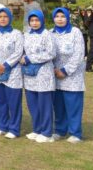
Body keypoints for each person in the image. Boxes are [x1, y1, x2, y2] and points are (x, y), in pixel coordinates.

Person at [50, 7, 86, 143]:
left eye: (62, 16)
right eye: (57, 16)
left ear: (67, 17)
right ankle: (60, 130)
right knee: (58, 106)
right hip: (55, 76)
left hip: (72, 76)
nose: (60, 19)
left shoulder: (75, 32)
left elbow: (79, 54)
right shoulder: (50, 33)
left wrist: (64, 71)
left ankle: (75, 133)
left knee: (73, 106)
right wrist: (54, 70)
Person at [22, 10, 57, 143]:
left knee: (44, 104)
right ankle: (37, 129)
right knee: (33, 104)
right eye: (32, 20)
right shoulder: (27, 35)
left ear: (42, 21)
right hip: (30, 74)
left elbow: (51, 53)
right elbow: (23, 51)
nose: (34, 23)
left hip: (44, 73)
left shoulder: (47, 34)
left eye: (37, 20)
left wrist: (31, 58)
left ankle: (47, 132)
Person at [0, 7, 24, 139]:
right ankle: (1, 126)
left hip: (12, 71)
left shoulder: (16, 34)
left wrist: (5, 65)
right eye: (0, 17)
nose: (2, 19)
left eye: (5, 17)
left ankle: (14, 129)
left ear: (10, 18)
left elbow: (18, 52)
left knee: (13, 101)